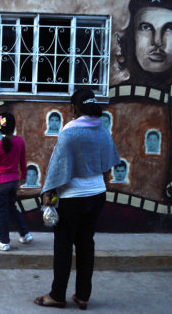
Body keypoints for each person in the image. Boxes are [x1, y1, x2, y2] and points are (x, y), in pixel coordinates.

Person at [34, 89, 119, 309]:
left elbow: (56, 170)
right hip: (97, 195)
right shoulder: (102, 130)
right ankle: (83, 296)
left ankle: (57, 295)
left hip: (72, 198)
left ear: (74, 108)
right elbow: (108, 165)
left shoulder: (69, 132)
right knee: (86, 245)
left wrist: (48, 197)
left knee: (63, 247)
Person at [0, 112, 33, 251]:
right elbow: (23, 161)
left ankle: (3, 241)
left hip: (1, 183)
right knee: (11, 208)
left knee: (3, 212)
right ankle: (25, 234)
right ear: (14, 127)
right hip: (14, 181)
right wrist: (24, 175)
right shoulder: (20, 141)